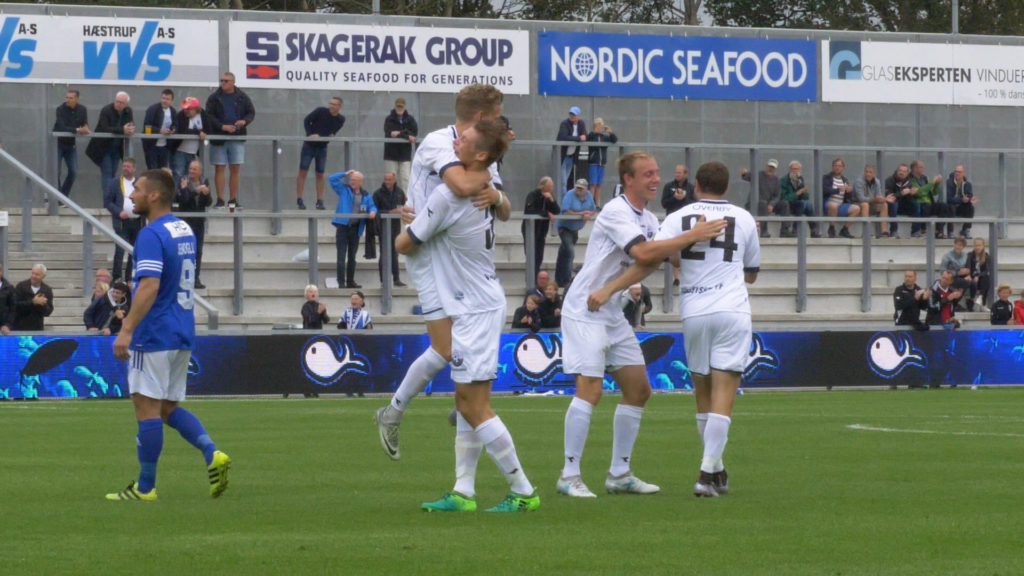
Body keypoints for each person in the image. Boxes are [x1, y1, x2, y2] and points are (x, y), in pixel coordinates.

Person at [556, 152, 727, 499]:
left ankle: (619, 474)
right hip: (585, 308)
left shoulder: (649, 219)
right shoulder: (615, 211)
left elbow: (662, 256)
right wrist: (692, 234)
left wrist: (711, 236)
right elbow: (645, 253)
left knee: (638, 390)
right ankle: (569, 475)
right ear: (628, 179)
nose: (655, 179)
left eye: (656, 173)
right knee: (590, 390)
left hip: (610, 310)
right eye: (647, 174)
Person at [588, 160, 755, 499]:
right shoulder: (745, 218)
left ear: (697, 186)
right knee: (725, 390)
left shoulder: (678, 217)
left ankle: (716, 469)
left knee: (703, 391)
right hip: (732, 309)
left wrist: (612, 287)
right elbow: (751, 273)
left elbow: (652, 259)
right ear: (726, 187)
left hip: (695, 310)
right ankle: (707, 472)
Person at [396, 119, 538, 513]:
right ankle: (464, 492)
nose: (456, 142)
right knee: (465, 402)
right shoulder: (486, 190)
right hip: (480, 302)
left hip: (473, 308)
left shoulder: (448, 195)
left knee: (474, 406)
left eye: (465, 140)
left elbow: (404, 245)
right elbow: (502, 206)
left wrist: (411, 221)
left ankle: (523, 490)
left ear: (481, 155)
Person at [373, 84, 510, 462]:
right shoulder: (439, 143)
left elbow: (503, 209)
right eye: (497, 116)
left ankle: (466, 404)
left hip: (455, 254)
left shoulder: (481, 150)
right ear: (481, 117)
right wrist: (491, 167)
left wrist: (498, 195)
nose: (501, 123)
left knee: (462, 339)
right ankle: (395, 412)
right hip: (425, 250)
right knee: (447, 348)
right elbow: (463, 185)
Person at [107, 168, 230, 502]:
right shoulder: (183, 228)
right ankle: (212, 452)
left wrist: (126, 330)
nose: (131, 195)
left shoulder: (150, 234)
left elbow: (150, 285)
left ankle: (146, 488)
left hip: (154, 333)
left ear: (154, 195)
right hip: (182, 330)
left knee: (146, 407)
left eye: (137, 190)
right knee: (166, 408)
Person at [206, 71, 256, 209]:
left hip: (237, 136)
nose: (223, 83)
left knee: (235, 168)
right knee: (219, 167)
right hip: (219, 137)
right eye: (222, 80)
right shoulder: (214, 97)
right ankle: (220, 199)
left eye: (226, 81)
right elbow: (209, 115)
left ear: (233, 82)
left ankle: (233, 199)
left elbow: (251, 112)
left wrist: (244, 121)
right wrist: (222, 127)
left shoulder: (242, 97)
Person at [328, 170, 377, 289]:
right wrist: (345, 174)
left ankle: (350, 281)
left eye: (355, 180)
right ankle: (341, 282)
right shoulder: (344, 190)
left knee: (352, 257)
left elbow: (372, 206)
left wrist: (372, 211)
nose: (352, 182)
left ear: (361, 182)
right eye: (351, 179)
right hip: (343, 227)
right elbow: (332, 179)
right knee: (341, 255)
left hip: (355, 228)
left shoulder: (365, 195)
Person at [297, 96, 345, 210]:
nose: (331, 106)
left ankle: (319, 200)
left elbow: (333, 131)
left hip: (322, 147)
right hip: (309, 146)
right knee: (303, 171)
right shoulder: (320, 111)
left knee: (320, 173)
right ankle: (299, 199)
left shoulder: (341, 119)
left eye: (334, 104)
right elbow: (307, 120)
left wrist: (330, 135)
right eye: (331, 104)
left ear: (339, 107)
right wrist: (310, 134)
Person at [174, 159, 213, 289]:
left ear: (200, 171)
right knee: (184, 250)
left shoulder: (204, 181)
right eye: (190, 168)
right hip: (186, 223)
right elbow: (183, 200)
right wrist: (195, 191)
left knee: (198, 250)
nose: (191, 171)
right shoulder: (183, 180)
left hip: (199, 222)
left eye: (194, 169)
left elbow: (208, 202)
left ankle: (195, 277)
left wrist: (206, 194)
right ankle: (182, 277)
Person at [85, 91, 135, 188]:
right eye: (117, 101)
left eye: (121, 103)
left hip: (117, 148)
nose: (118, 104)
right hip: (103, 148)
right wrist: (122, 130)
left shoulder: (128, 111)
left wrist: (130, 129)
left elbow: (130, 124)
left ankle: (111, 194)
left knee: (113, 173)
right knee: (107, 173)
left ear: (126, 104)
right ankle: (107, 196)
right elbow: (105, 128)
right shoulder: (106, 110)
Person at [104, 158, 142, 282]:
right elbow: (107, 202)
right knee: (120, 250)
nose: (125, 169)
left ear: (134, 169)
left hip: (137, 222)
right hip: (122, 223)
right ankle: (117, 277)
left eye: (128, 167)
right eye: (124, 166)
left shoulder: (139, 183)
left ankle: (129, 277)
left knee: (134, 250)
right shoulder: (115, 182)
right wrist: (119, 212)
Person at [555, 179, 597, 288]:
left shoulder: (588, 195)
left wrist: (589, 214)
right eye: (577, 187)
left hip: (575, 229)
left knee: (563, 254)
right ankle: (567, 279)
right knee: (570, 253)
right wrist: (581, 214)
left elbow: (593, 209)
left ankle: (559, 279)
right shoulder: (570, 194)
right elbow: (565, 211)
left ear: (586, 189)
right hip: (565, 228)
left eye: (581, 188)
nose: (578, 190)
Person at [53, 89, 90, 201]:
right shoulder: (60, 109)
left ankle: (62, 197)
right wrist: (78, 130)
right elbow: (62, 127)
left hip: (70, 145)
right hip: (58, 143)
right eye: (67, 97)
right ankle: (57, 197)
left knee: (73, 172)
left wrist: (85, 128)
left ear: (77, 99)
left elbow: (84, 124)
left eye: (71, 98)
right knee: (56, 172)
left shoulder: (82, 109)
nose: (68, 100)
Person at [372, 172, 408, 286]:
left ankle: (396, 279)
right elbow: (374, 210)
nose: (387, 182)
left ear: (394, 180)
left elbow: (404, 205)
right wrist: (389, 212)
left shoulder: (400, 192)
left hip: (395, 227)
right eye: (386, 179)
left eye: (389, 180)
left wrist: (403, 211)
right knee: (384, 253)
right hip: (383, 227)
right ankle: (383, 280)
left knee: (395, 252)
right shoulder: (378, 193)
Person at [522, 176, 561, 280]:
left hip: (542, 232)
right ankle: (530, 280)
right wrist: (547, 213)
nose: (552, 188)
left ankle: (535, 280)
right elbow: (530, 211)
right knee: (531, 256)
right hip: (531, 230)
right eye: (550, 186)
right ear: (544, 186)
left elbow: (557, 211)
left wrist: (551, 200)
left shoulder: (549, 196)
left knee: (539, 257)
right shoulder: (533, 195)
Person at [169, 97, 213, 182]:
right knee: (178, 174)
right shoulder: (181, 115)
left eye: (189, 109)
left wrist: (203, 133)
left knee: (190, 176)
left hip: (194, 152)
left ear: (196, 109)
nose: (186, 111)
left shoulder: (203, 115)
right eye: (185, 109)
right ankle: (176, 190)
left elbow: (209, 129)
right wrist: (198, 132)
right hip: (180, 150)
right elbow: (182, 130)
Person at [742, 159, 788, 238]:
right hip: (755, 204)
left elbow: (777, 196)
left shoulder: (776, 180)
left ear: (775, 170)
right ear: (766, 166)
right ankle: (764, 231)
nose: (770, 169)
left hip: (769, 204)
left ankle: (784, 231)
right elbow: (746, 176)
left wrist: (771, 204)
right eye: (769, 167)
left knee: (784, 204)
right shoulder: (758, 175)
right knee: (763, 204)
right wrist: (744, 173)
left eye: (773, 168)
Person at [383, 97, 418, 191]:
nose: (399, 108)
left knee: (406, 179)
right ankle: (391, 198)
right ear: (395, 106)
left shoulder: (410, 119)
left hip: (405, 154)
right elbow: (389, 133)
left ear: (405, 107)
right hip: (391, 154)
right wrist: (406, 135)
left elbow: (414, 133)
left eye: (401, 107)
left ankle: (406, 198)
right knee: (390, 179)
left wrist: (399, 133)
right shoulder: (389, 119)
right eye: (398, 106)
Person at [907, 160, 947, 239]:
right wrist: (932, 183)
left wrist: (936, 184)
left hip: (929, 202)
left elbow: (934, 192)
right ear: (915, 168)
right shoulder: (910, 179)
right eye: (921, 167)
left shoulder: (924, 178)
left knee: (943, 206)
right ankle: (923, 230)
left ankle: (939, 231)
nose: (923, 169)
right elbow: (920, 193)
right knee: (926, 206)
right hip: (918, 203)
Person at [822, 158, 859, 238]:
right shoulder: (827, 177)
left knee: (856, 208)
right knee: (834, 205)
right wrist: (838, 190)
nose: (837, 167)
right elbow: (825, 190)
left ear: (843, 168)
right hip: (829, 204)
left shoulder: (844, 180)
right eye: (835, 165)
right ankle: (831, 228)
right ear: (832, 167)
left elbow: (848, 198)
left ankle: (845, 229)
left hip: (840, 205)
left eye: (839, 166)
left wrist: (849, 191)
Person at [780, 160, 819, 238]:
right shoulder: (783, 180)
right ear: (790, 170)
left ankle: (813, 229)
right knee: (803, 204)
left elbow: (805, 198)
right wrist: (797, 194)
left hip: (798, 204)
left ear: (800, 170)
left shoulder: (800, 180)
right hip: (788, 205)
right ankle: (796, 228)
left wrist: (804, 192)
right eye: (794, 169)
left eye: (798, 169)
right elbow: (784, 198)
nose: (795, 171)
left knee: (808, 204)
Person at [854, 164, 893, 239]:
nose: (868, 174)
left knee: (884, 205)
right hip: (857, 204)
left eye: (870, 172)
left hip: (871, 204)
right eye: (866, 172)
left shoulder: (877, 182)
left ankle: (884, 232)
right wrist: (875, 199)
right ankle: (866, 232)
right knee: (865, 204)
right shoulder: (859, 182)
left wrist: (884, 199)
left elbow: (878, 196)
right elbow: (861, 199)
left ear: (874, 174)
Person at [142, 89, 177, 171]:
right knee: (153, 170)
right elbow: (146, 128)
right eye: (163, 98)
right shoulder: (152, 109)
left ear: (172, 101)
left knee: (163, 170)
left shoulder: (173, 111)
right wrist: (159, 131)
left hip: (165, 146)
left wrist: (173, 130)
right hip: (152, 146)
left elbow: (175, 124)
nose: (165, 101)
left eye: (167, 99)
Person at [12, 264, 55, 332]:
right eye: (33, 273)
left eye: (37, 274)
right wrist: (32, 302)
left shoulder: (47, 290)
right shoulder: (21, 286)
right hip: (19, 328)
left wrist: (43, 304)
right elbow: (14, 306)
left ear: (43, 276)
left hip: (37, 329)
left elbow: (48, 312)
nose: (33, 276)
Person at [586, 117, 617, 207]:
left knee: (599, 185)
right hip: (594, 162)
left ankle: (597, 204)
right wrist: (594, 132)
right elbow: (588, 137)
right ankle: (590, 205)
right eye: (598, 126)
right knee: (593, 184)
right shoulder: (592, 136)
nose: (600, 128)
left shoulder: (604, 137)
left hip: (602, 163)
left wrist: (610, 132)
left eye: (601, 126)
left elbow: (614, 140)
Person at [556, 106, 587, 192]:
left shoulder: (581, 124)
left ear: (579, 116)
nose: (572, 116)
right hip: (562, 156)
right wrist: (579, 138)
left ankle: (563, 197)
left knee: (566, 180)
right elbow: (564, 137)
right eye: (571, 114)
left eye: (574, 114)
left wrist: (582, 137)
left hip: (571, 156)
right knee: (562, 181)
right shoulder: (564, 123)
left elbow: (585, 136)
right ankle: (563, 199)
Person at [947, 165, 978, 238]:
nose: (957, 173)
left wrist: (970, 199)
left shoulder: (967, 184)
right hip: (951, 207)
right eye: (956, 171)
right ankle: (950, 231)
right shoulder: (949, 183)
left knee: (970, 207)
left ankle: (965, 230)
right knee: (951, 207)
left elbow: (969, 195)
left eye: (959, 172)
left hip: (961, 207)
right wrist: (961, 199)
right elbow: (949, 198)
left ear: (964, 173)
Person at [885, 163, 914, 239]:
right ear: (897, 171)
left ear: (907, 173)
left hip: (904, 205)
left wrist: (912, 192)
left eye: (904, 171)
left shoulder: (909, 182)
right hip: (892, 206)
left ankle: (916, 231)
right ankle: (893, 231)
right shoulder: (890, 180)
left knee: (916, 205)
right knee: (894, 204)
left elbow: (910, 196)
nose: (901, 173)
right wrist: (901, 193)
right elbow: (890, 197)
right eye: (900, 170)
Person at [0, 263, 17, 335]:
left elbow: (13, 309)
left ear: (1, 271)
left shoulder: (9, 288)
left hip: (4, 328)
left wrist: (7, 325)